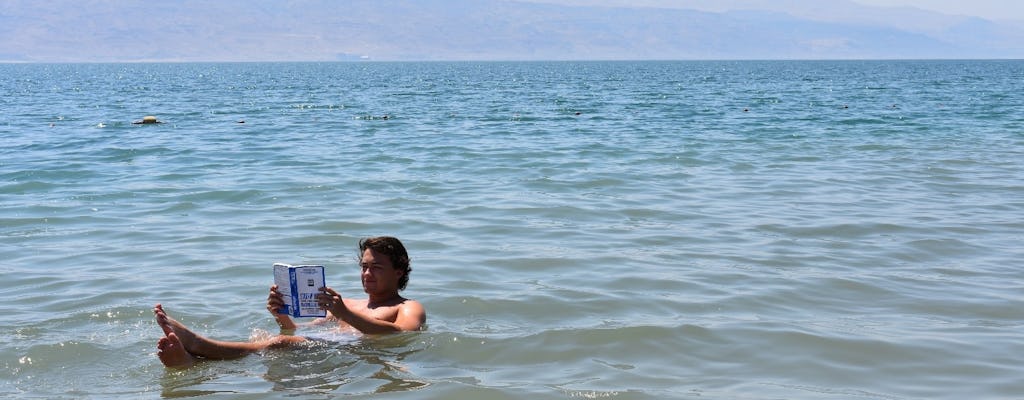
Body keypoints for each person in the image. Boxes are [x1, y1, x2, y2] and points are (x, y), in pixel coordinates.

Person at [154, 236, 426, 368]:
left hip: (350, 356)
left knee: (279, 344)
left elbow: (403, 334)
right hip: (326, 352)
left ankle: (197, 346)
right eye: (364, 266)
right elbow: (296, 332)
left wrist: (344, 313)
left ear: (398, 272)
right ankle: (193, 362)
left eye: (376, 267)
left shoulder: (407, 306)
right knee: (274, 338)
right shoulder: (347, 305)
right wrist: (281, 315)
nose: (367, 274)